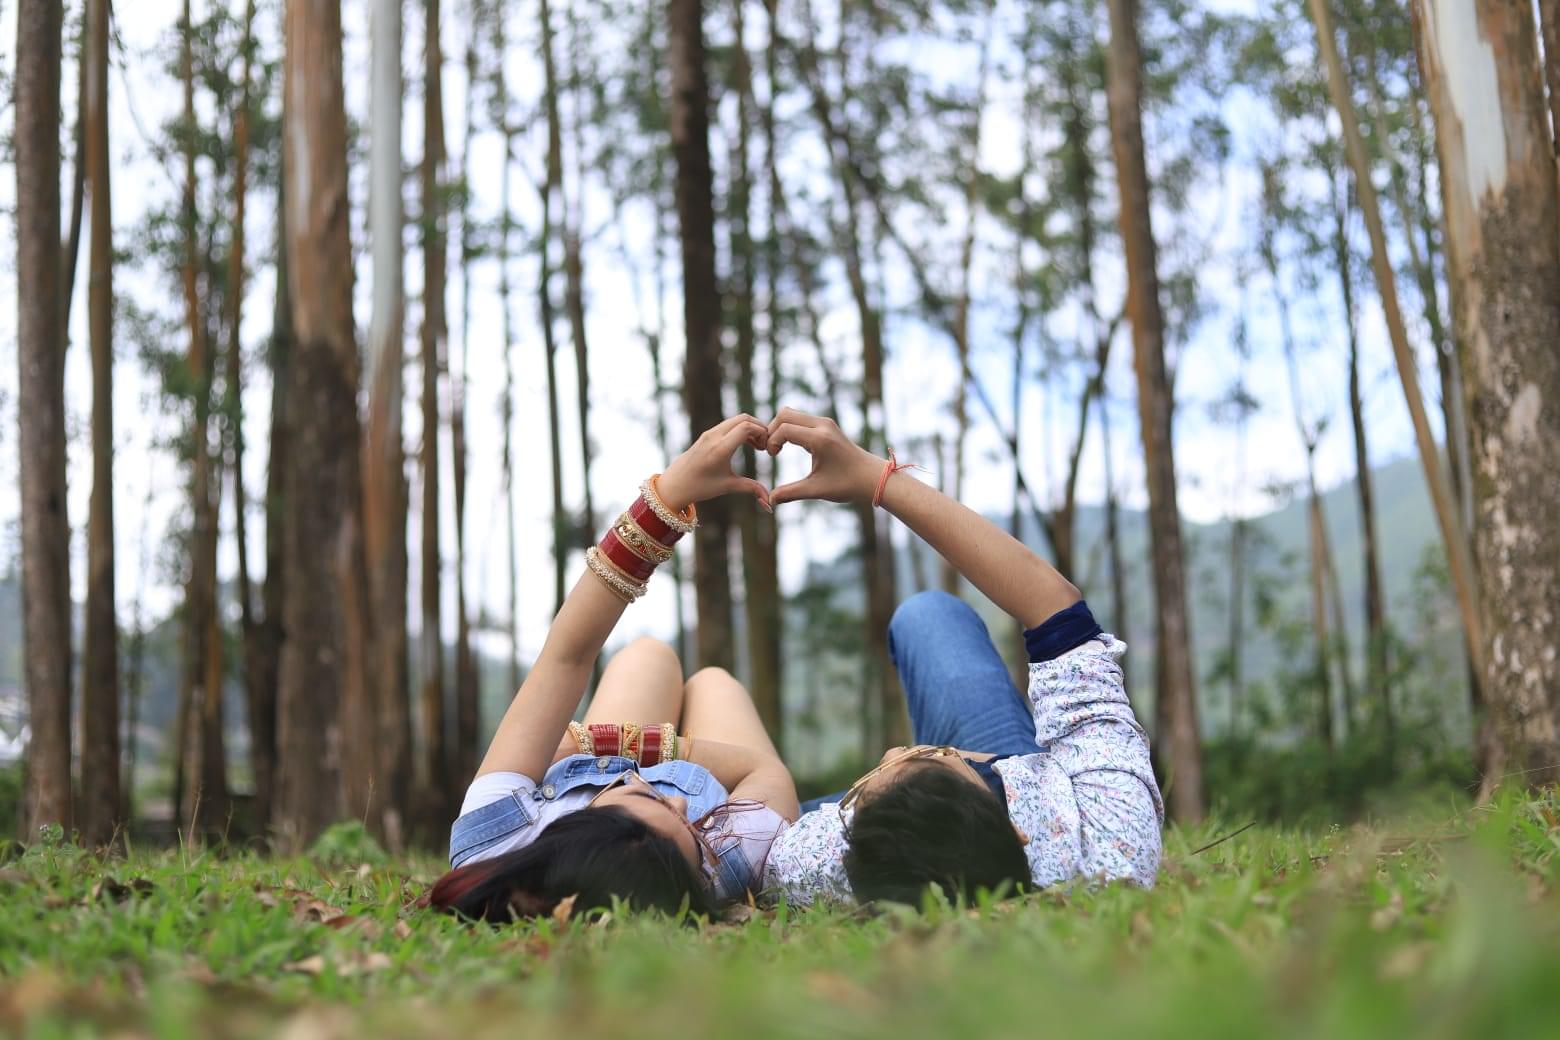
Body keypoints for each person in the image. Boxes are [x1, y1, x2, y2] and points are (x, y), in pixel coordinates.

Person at [757, 407, 1163, 907]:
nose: (893, 751)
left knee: (773, 806)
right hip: (1052, 790)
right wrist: (873, 478)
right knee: (930, 614)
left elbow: (748, 842)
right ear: (1018, 826)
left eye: (869, 786)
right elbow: (1058, 610)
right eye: (926, 756)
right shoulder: (1113, 837)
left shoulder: (814, 858)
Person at [429, 415, 800, 922]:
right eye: (687, 832)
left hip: (588, 772)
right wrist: (632, 745)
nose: (682, 807)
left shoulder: (493, 834)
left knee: (648, 653)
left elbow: (567, 654)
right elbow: (765, 771)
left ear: (568, 831)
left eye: (652, 806)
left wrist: (669, 498)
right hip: (678, 765)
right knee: (714, 682)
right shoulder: (721, 860)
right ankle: (666, 735)